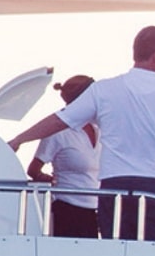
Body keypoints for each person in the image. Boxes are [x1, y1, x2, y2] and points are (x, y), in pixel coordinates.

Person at [5, 25, 155, 242]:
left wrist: (20, 138)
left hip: (113, 191)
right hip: (154, 193)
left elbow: (60, 120)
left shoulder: (104, 90)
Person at [23, 75, 102, 238]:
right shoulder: (57, 133)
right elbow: (33, 169)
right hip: (68, 209)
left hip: (99, 209)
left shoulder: (100, 129)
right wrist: (46, 179)